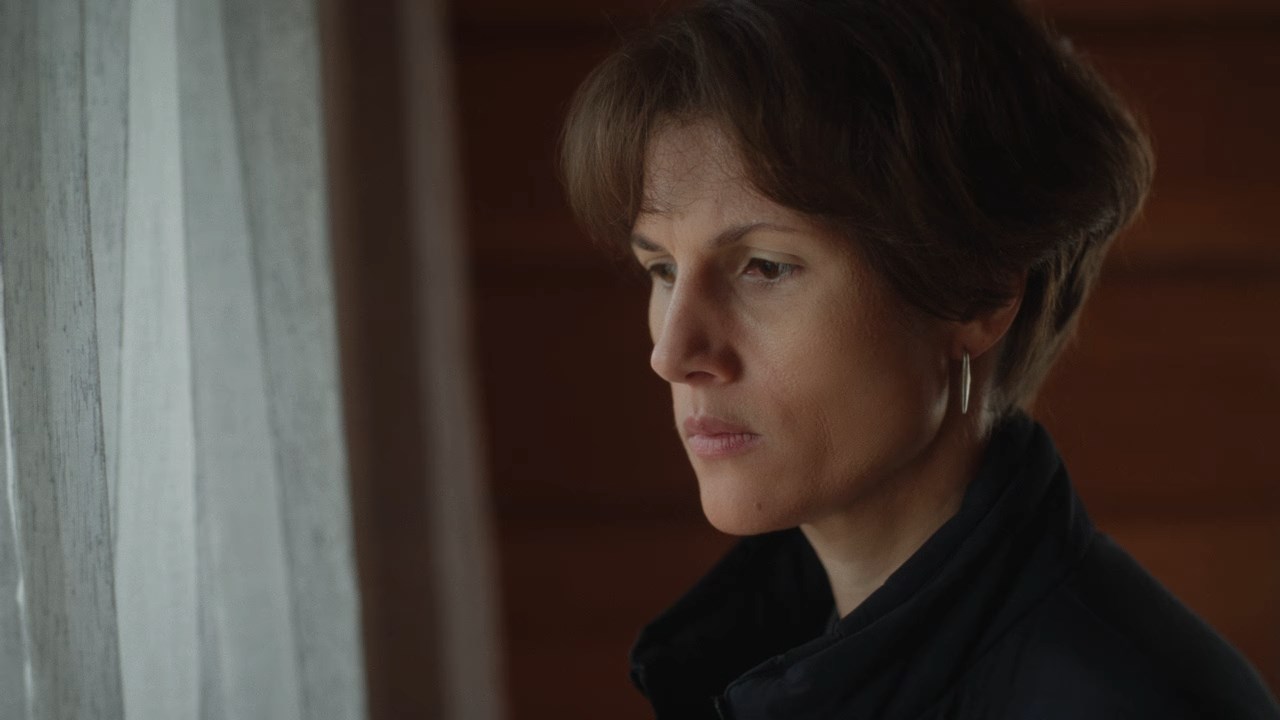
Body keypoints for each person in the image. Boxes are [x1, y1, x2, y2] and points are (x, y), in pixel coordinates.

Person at [558, 0, 1280, 718]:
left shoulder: (1139, 703)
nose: (673, 353)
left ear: (975, 296)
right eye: (661, 269)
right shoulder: (750, 662)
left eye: (766, 267)